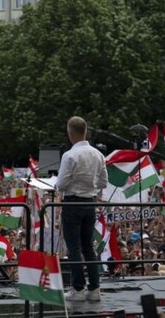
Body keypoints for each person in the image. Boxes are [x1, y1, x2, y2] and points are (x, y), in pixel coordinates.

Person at [55, 116, 107, 302]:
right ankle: (94, 289)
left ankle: (77, 290)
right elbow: (103, 182)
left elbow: (60, 184)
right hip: (90, 203)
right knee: (88, 247)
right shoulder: (98, 155)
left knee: (74, 247)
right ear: (85, 131)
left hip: (73, 203)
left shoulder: (69, 155)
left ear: (70, 133)